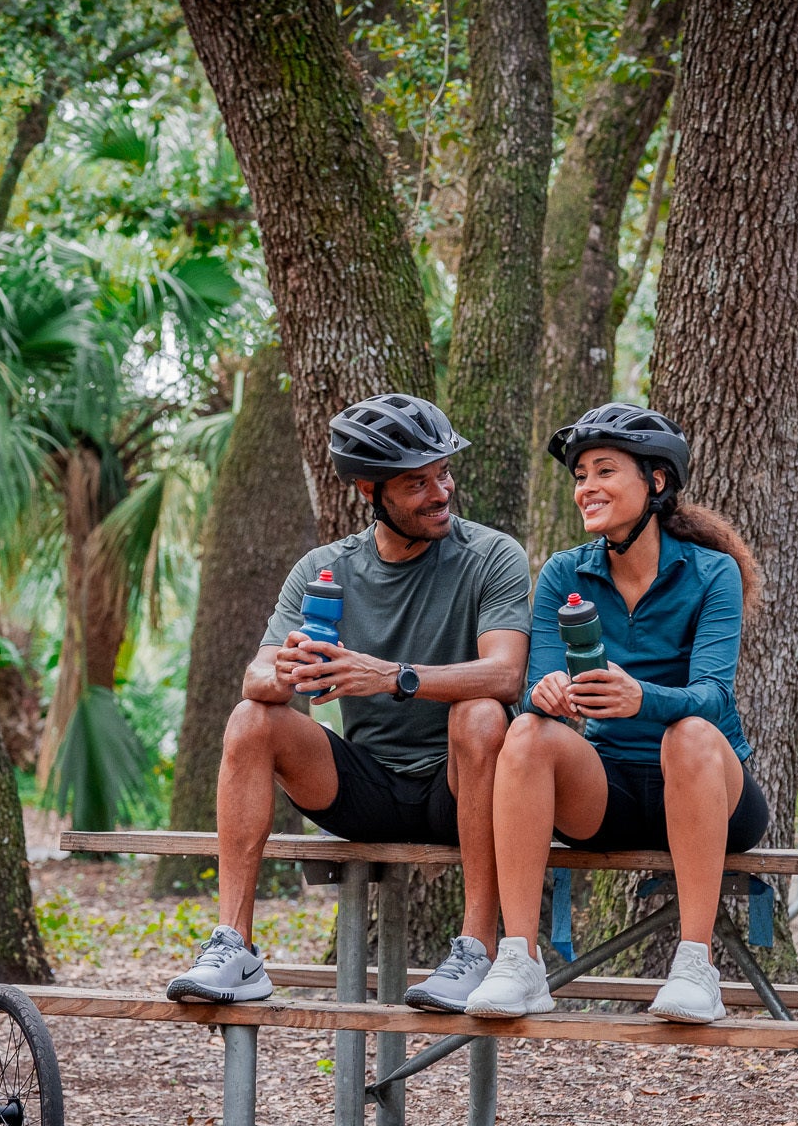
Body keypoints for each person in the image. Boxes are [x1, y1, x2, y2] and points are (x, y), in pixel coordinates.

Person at [165, 393, 532, 1010]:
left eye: (443, 473)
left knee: (481, 712)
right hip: (367, 790)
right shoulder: (323, 570)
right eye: (417, 483)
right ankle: (235, 947)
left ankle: (478, 948)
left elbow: (506, 675)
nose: (440, 492)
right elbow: (256, 677)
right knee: (252, 719)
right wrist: (284, 670)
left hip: (460, 785)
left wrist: (391, 676)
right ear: (370, 490)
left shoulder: (492, 556)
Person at [463, 403, 768, 1024]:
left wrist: (644, 698)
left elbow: (714, 696)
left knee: (689, 732)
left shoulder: (713, 574)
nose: (587, 488)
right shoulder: (563, 573)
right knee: (525, 732)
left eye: (604, 471)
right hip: (611, 791)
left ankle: (695, 965)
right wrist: (545, 694)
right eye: (580, 476)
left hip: (712, 788)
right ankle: (519, 960)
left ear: (655, 481)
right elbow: (537, 682)